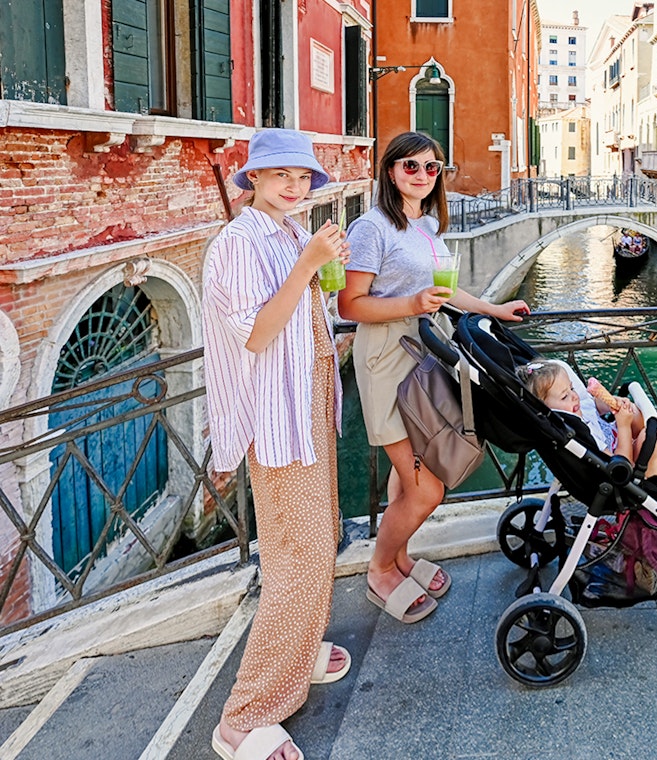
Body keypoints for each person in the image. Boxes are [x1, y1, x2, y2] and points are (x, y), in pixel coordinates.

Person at [338, 132, 529, 626]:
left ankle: (401, 559)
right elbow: (349, 304)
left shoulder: (426, 226)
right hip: (387, 358)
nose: (422, 176)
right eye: (410, 167)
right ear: (390, 172)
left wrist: (494, 309)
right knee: (427, 490)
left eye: (431, 168)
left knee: (412, 480)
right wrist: (411, 305)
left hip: (423, 351)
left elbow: (445, 292)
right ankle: (380, 569)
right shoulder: (372, 226)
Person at [202, 128, 351, 760]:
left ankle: (300, 649)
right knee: (295, 556)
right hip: (276, 415)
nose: (294, 186)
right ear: (254, 179)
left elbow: (308, 314)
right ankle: (244, 716)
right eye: (280, 174)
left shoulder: (291, 232)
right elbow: (258, 335)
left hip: (310, 402)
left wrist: (320, 276)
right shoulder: (237, 244)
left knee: (321, 539)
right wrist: (310, 266)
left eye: (303, 176)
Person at [518, 360, 657, 478]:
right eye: (564, 396)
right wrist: (623, 427)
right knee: (652, 438)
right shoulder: (575, 433)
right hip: (627, 471)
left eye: (571, 388)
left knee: (635, 412)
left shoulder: (576, 407)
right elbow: (618, 464)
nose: (574, 395)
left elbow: (592, 408)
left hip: (620, 444)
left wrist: (609, 403)